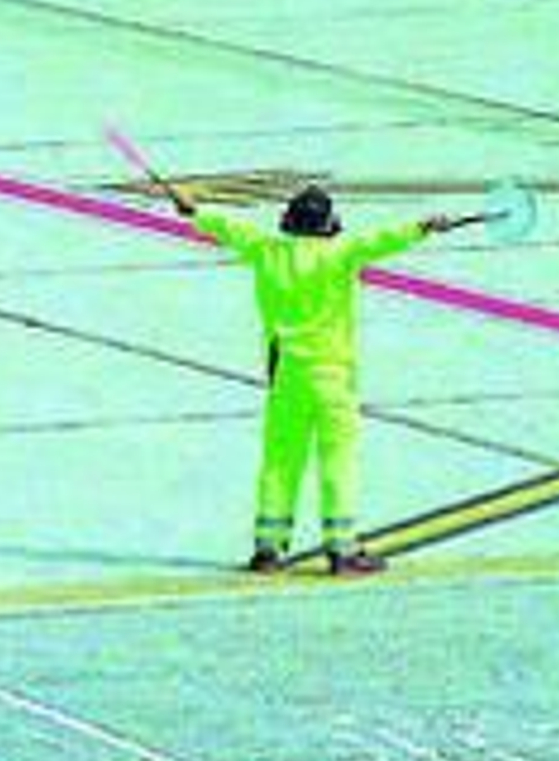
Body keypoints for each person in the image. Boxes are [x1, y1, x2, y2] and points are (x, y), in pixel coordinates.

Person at [162, 179, 454, 576]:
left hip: (287, 376)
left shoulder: (267, 251)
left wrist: (194, 210)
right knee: (337, 462)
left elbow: (228, 228)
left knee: (280, 461)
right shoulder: (342, 253)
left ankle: (268, 548)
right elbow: (383, 240)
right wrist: (424, 226)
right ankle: (342, 548)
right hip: (334, 377)